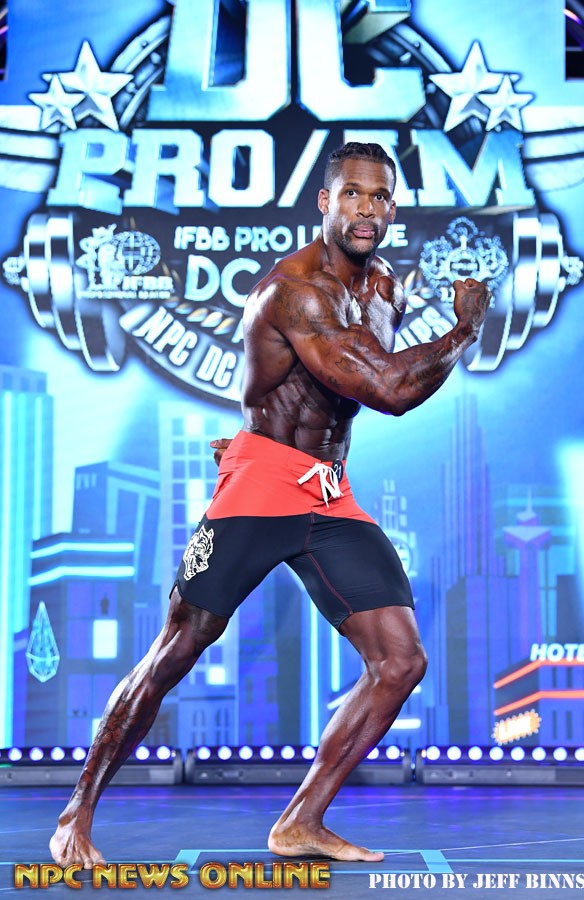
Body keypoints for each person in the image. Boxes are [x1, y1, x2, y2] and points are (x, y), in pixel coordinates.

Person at [50, 142, 491, 867]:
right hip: (261, 484)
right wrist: (466, 327)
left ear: (393, 208)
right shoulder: (295, 289)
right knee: (177, 649)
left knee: (400, 660)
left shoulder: (384, 288)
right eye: (352, 194)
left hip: (327, 487)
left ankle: (300, 822)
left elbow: (345, 388)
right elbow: (390, 390)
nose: (367, 209)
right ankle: (77, 811)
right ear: (325, 203)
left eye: (380, 196)